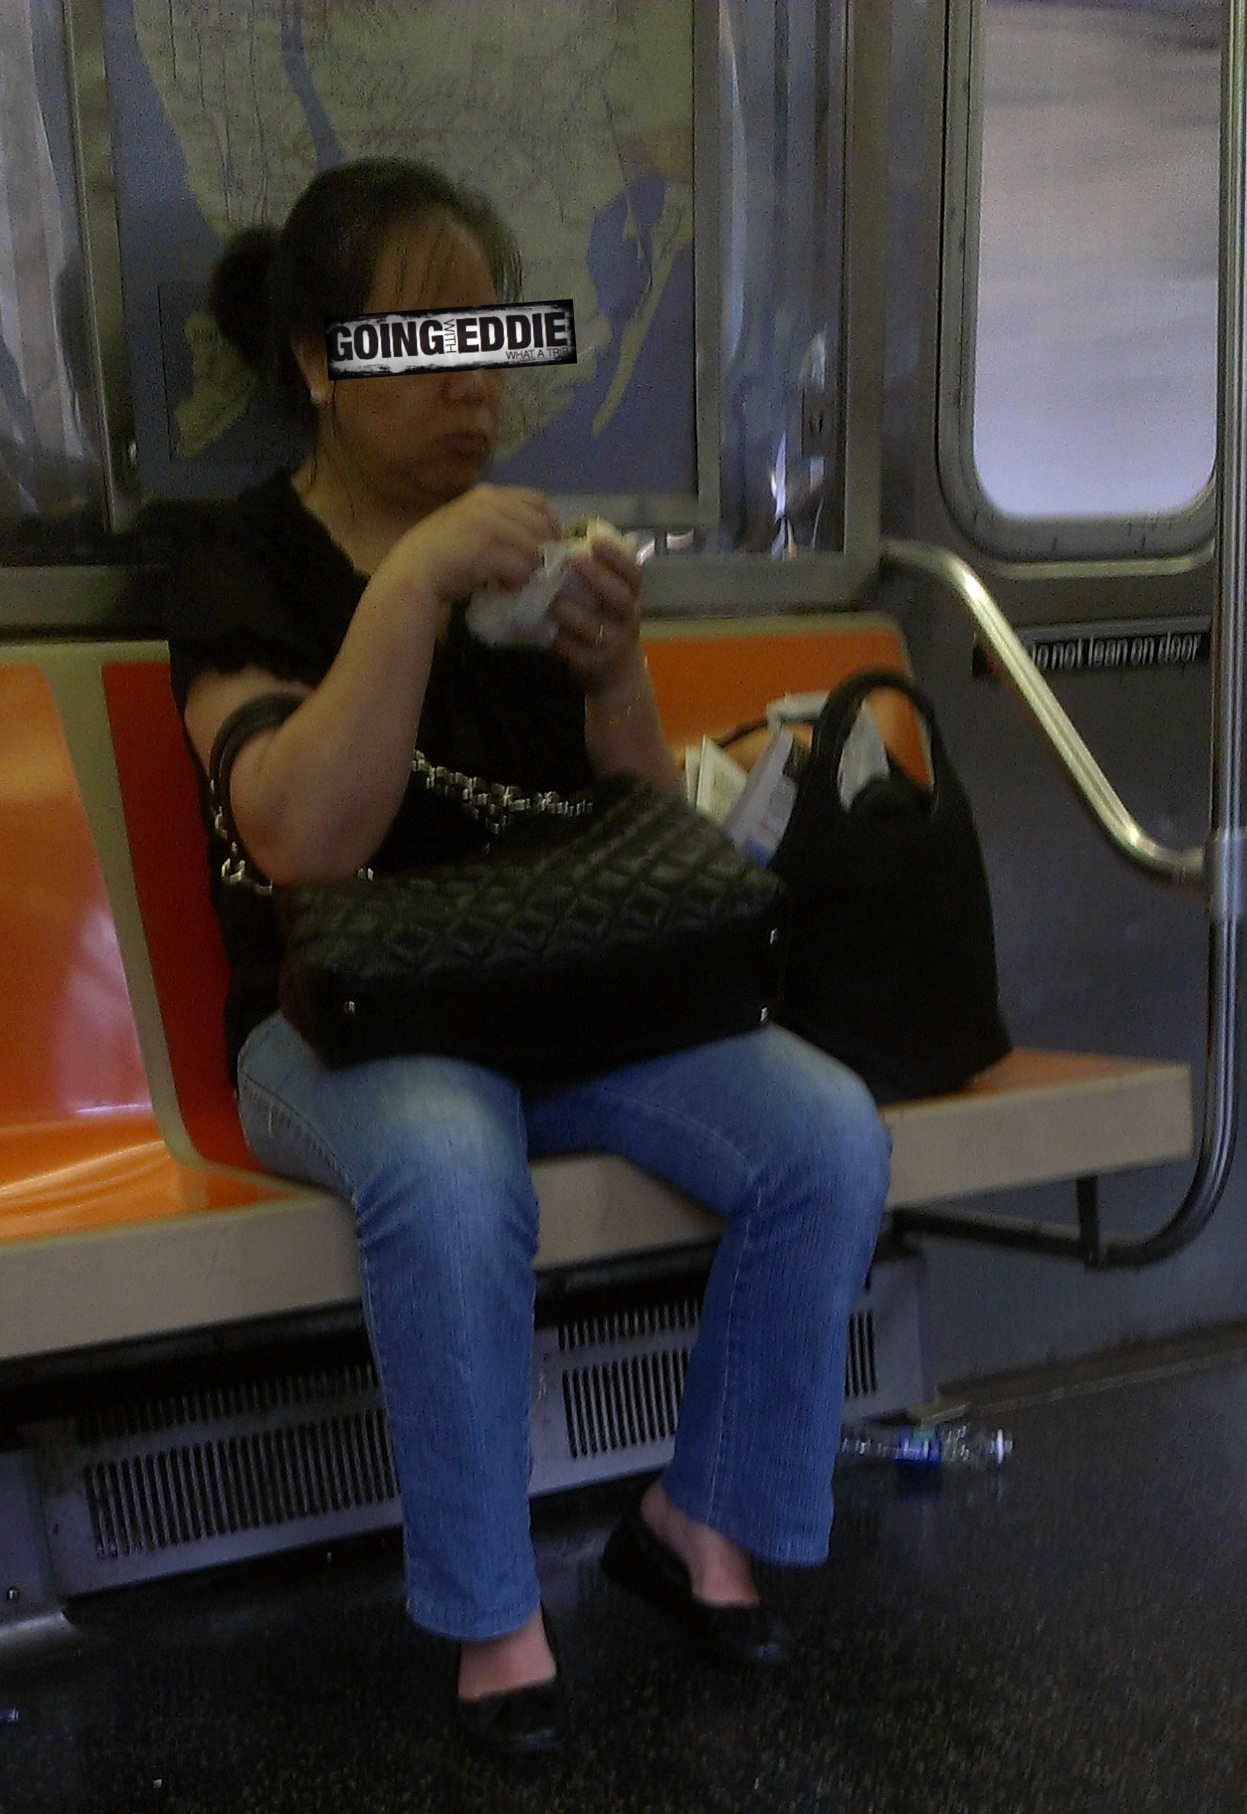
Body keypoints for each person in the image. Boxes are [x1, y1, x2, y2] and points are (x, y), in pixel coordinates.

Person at [165, 158, 890, 1758]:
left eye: (491, 340)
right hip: (339, 1017)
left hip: (566, 992)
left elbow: (640, 839)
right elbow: (299, 835)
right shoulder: (238, 564)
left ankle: (699, 1520)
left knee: (827, 1132)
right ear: (318, 363)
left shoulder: (527, 553)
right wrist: (413, 586)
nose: (474, 383)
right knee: (445, 1160)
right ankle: (495, 1613)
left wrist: (614, 666)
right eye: (427, 343)